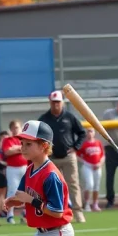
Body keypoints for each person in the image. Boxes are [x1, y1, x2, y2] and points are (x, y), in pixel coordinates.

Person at [38, 90, 87, 223]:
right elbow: (37, 137)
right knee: (50, 186)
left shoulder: (70, 117)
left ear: (62, 103)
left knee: (73, 184)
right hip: (51, 158)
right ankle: (53, 213)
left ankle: (78, 212)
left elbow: (82, 133)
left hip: (68, 156)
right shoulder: (44, 119)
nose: (56, 105)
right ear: (50, 102)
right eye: (53, 102)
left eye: (58, 102)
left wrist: (76, 147)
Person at [2, 120, 28, 224]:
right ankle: (10, 215)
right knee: (12, 192)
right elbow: (7, 152)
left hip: (25, 168)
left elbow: (27, 150)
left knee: (27, 191)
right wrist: (19, 149)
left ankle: (26, 214)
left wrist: (16, 148)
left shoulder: (24, 139)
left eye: (17, 127)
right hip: (12, 169)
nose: (15, 130)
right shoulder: (7, 140)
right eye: (13, 128)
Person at [76, 128, 104, 212]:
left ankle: (95, 204)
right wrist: (86, 162)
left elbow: (102, 155)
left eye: (91, 131)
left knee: (96, 186)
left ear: (94, 133)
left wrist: (100, 163)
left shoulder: (98, 143)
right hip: (87, 167)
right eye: (88, 131)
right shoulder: (84, 144)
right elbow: (77, 155)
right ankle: (87, 204)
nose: (90, 133)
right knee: (89, 185)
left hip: (97, 166)